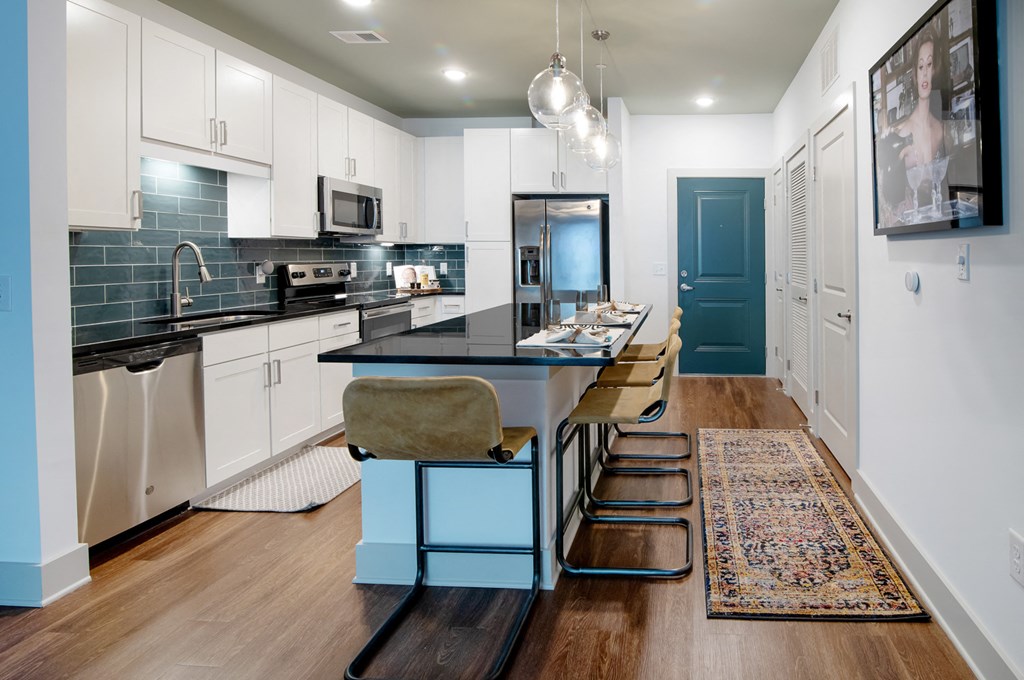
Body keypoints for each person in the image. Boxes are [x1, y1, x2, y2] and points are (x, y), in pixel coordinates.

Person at [897, 26, 946, 169]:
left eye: (929, 64)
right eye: (920, 66)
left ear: (935, 69)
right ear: (915, 76)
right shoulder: (905, 132)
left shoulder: (939, 129)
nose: (924, 72)